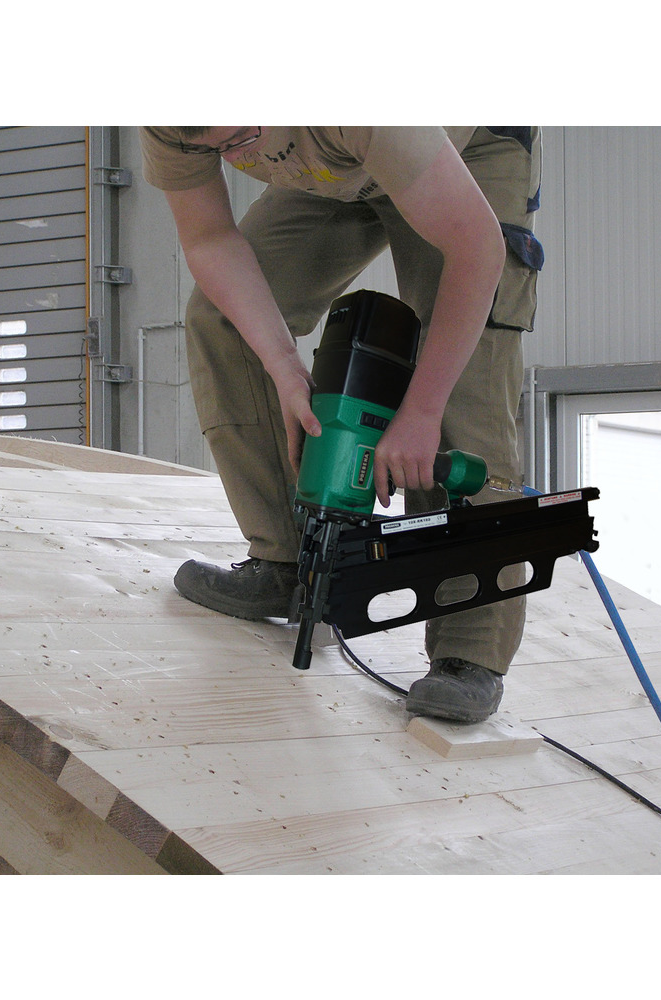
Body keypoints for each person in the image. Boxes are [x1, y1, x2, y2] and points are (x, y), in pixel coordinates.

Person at [140, 126, 543, 724]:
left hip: (465, 146)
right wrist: (283, 366)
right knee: (225, 315)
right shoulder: (169, 123)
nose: (244, 157)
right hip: (338, 161)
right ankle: (287, 561)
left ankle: (471, 649)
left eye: (246, 134)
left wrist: (421, 412)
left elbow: (476, 247)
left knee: (464, 390)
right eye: (221, 149)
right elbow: (209, 239)